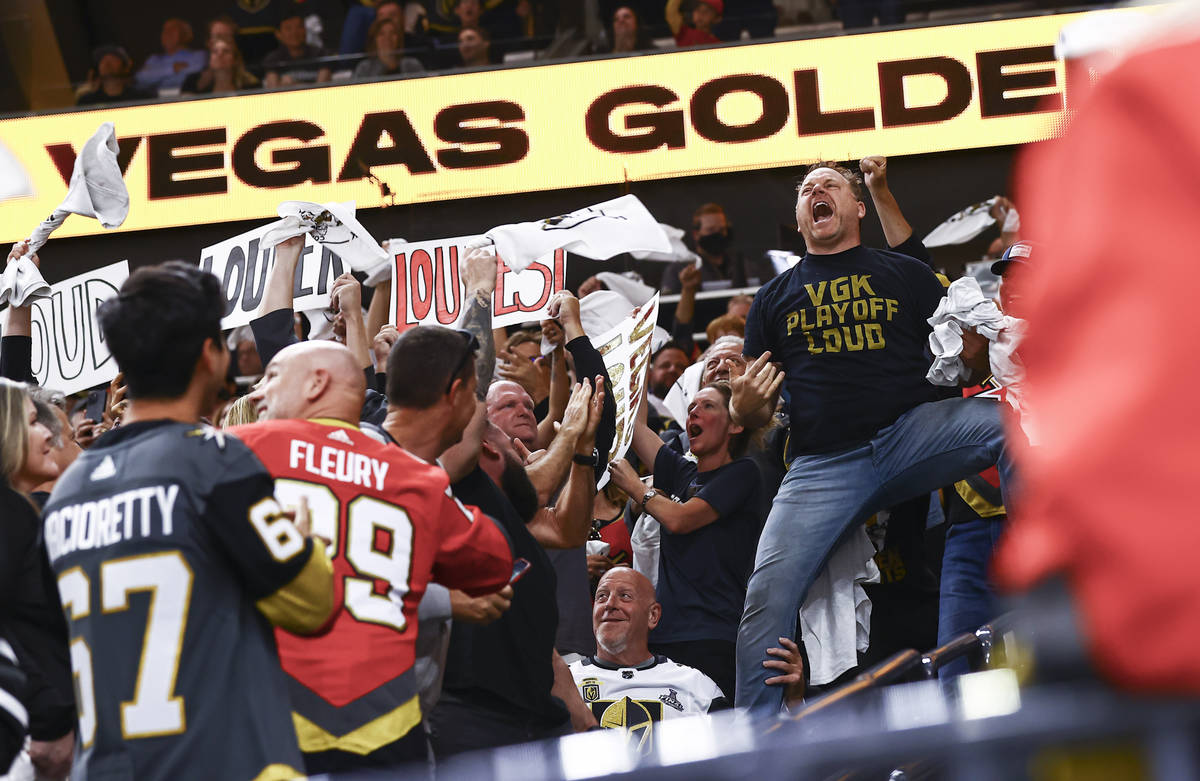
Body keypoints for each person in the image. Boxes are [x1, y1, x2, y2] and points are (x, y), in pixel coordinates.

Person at [732, 161, 1010, 714]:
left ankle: (1052, 564)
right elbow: (749, 395)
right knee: (766, 597)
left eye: (830, 184)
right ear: (799, 216)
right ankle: (759, 746)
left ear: (857, 207)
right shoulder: (772, 297)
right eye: (806, 188)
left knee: (1015, 423)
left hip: (910, 435)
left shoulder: (901, 273)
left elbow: (961, 336)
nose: (816, 190)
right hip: (823, 464)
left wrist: (975, 348)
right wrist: (745, 407)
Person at [41, 261, 336, 779]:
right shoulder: (213, 461)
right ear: (208, 353)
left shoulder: (66, 492)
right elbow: (312, 604)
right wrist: (306, 540)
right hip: (225, 763)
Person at [234, 339, 513, 772]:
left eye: (270, 377)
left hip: (266, 725)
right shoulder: (418, 477)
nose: (255, 393)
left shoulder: (236, 451)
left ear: (316, 384)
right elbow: (494, 563)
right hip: (388, 729)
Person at [607, 382, 765, 698]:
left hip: (713, 634)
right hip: (664, 635)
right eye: (691, 406)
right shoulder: (684, 475)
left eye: (707, 406)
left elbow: (681, 519)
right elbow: (634, 427)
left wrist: (637, 488)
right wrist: (640, 348)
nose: (694, 411)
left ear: (735, 424)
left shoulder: (744, 473)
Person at [571, 567, 803, 747]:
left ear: (653, 615)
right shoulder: (562, 682)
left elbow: (744, 760)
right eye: (601, 596)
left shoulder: (697, 687)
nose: (610, 604)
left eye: (625, 596)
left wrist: (793, 703)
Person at [0, 379, 75, 780]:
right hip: (30, 741)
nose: (49, 432)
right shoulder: (8, 513)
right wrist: (50, 718)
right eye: (32, 422)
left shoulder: (18, 510)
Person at [660, 203, 774, 293]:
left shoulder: (744, 266)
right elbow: (669, 307)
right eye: (711, 230)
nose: (718, 235)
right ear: (696, 234)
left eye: (721, 230)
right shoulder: (680, 269)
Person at [134, 18, 208, 92]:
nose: (167, 33)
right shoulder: (154, 59)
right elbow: (141, 77)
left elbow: (194, 74)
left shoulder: (198, 56)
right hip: (155, 101)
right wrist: (172, 69)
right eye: (164, 30)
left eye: (172, 29)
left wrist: (156, 75)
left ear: (186, 34)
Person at [263, 13, 332, 87]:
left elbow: (322, 89)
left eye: (299, 27)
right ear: (278, 34)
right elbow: (273, 91)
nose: (294, 32)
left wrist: (294, 85)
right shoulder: (273, 59)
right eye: (288, 28)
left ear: (305, 30)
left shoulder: (321, 54)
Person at [180, 37, 260, 95]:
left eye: (226, 51)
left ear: (235, 60)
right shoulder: (195, 89)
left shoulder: (250, 88)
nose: (220, 54)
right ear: (210, 60)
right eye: (215, 51)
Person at [76, 45, 152, 105]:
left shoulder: (141, 97)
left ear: (125, 66)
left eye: (113, 58)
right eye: (102, 59)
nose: (107, 63)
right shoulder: (87, 102)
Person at [353, 16, 425, 77]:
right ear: (374, 39)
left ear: (399, 38)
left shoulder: (413, 65)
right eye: (381, 33)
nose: (387, 38)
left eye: (393, 33)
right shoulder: (365, 68)